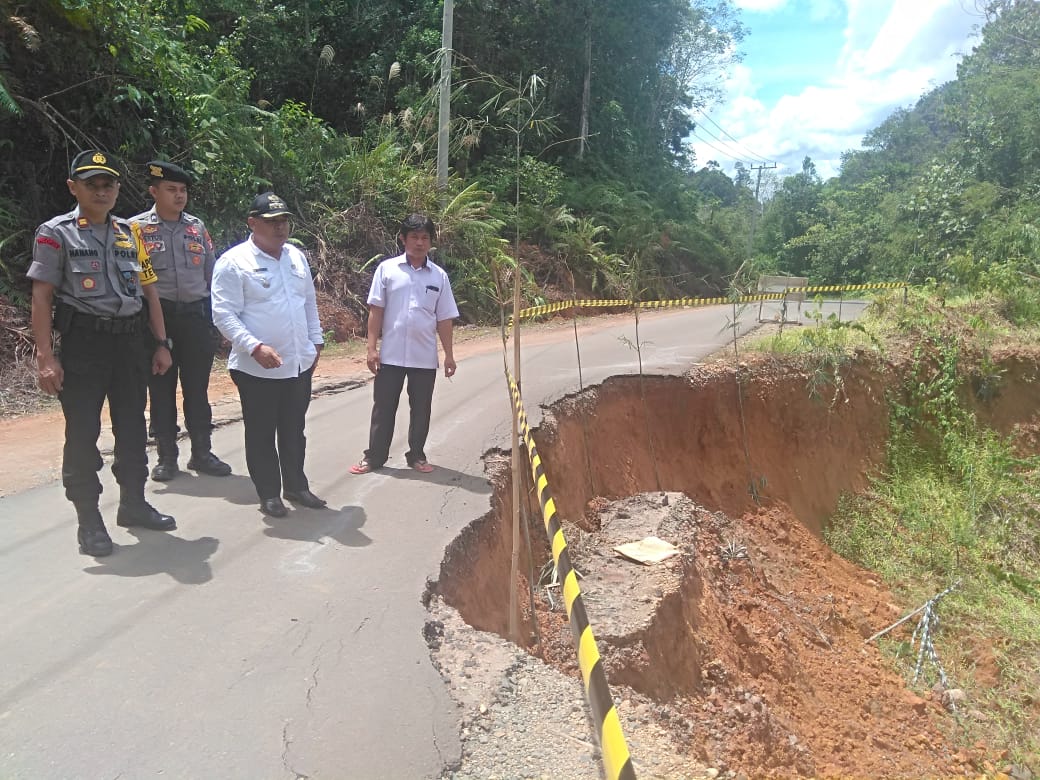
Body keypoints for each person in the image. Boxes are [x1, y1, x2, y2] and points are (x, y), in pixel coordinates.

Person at [28, 149, 177, 557]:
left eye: (107, 183)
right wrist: (45, 357)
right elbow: (41, 299)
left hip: (129, 343)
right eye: (91, 183)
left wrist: (161, 343)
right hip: (84, 347)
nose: (101, 190)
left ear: (116, 189)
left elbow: (150, 292)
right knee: (83, 434)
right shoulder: (55, 233)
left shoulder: (131, 233)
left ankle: (133, 503)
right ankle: (89, 521)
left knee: (131, 427)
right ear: (73, 187)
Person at [210, 192, 326, 518]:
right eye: (272, 222)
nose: (280, 228)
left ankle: (296, 486)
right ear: (252, 223)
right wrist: (253, 346)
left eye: (284, 221)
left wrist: (315, 342)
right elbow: (223, 314)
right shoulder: (234, 263)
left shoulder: (295, 258)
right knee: (261, 432)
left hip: (297, 363)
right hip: (255, 367)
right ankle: (269, 494)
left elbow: (308, 304)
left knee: (293, 430)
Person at [130, 160, 232, 482]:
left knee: (197, 390)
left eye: (183, 190)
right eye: (171, 190)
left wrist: (217, 320)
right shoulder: (135, 229)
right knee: (160, 391)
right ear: (153, 191)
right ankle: (166, 457)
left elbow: (211, 275)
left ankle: (202, 453)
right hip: (157, 321)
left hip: (195, 318)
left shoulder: (197, 228)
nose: (179, 196)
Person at [349, 213, 459, 475]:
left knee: (421, 408)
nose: (419, 243)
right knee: (383, 408)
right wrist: (371, 348)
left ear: (431, 242)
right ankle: (374, 457)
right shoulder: (387, 270)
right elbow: (376, 310)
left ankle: (417, 455)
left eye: (424, 238)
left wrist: (449, 355)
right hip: (391, 355)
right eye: (414, 237)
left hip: (424, 356)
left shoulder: (439, 277)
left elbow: (444, 318)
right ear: (403, 239)